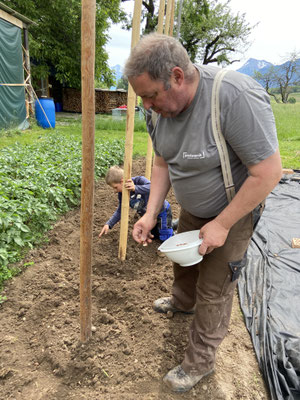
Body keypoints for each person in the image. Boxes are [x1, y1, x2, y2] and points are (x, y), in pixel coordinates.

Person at [123, 33, 282, 393]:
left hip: (235, 209)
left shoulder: (232, 97)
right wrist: (149, 214)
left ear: (177, 77)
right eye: (142, 98)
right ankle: (182, 303)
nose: (147, 105)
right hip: (194, 207)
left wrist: (223, 224)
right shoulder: (158, 111)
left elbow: (268, 172)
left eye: (150, 95)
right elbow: (162, 162)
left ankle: (199, 363)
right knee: (184, 262)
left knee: (215, 287)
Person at [98, 165, 174, 241]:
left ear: (122, 181)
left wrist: (135, 188)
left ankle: (170, 237)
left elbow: (152, 187)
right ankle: (172, 225)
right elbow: (120, 210)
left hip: (162, 211)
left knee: (165, 235)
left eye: (115, 187)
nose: (115, 191)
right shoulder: (122, 194)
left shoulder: (139, 180)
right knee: (155, 235)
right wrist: (109, 224)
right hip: (148, 217)